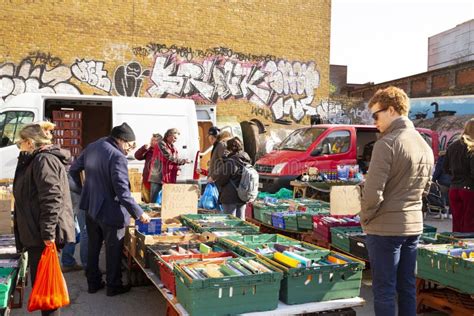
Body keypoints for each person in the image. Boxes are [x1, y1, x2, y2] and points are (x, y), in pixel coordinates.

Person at [360, 86, 434, 316]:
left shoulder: (387, 143)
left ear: (391, 110)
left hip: (384, 229)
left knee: (383, 290)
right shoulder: (424, 144)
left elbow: (373, 193)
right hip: (412, 226)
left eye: (376, 115)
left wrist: (365, 218)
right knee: (407, 287)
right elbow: (426, 188)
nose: (375, 122)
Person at [69, 122, 150, 297]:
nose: (129, 149)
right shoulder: (117, 156)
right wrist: (139, 213)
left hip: (91, 207)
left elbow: (73, 170)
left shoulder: (93, 146)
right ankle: (113, 286)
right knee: (113, 251)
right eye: (129, 145)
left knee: (93, 247)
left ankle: (93, 283)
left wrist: (83, 191)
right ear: (121, 140)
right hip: (111, 211)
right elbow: (122, 191)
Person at [13, 123, 75, 316]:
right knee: (44, 287)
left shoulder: (43, 160)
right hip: (36, 233)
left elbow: (51, 198)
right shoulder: (35, 159)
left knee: (47, 291)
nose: (18, 146)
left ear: (29, 143)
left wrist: (47, 233)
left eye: (20, 142)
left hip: (42, 236)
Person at [443, 118, 474, 232]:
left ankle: (457, 246)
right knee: (469, 224)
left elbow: (445, 168)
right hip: (469, 189)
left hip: (454, 189)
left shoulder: (453, 146)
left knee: (457, 223)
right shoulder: (472, 147)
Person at [214, 137, 251, 219]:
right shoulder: (246, 159)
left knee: (229, 221)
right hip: (242, 195)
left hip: (230, 196)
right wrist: (226, 160)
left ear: (231, 149)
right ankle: (242, 232)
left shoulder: (231, 162)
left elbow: (222, 179)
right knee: (241, 220)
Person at [149, 128, 189, 202]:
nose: (175, 140)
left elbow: (175, 159)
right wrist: (183, 161)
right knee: (154, 201)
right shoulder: (161, 144)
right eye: (174, 137)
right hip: (158, 176)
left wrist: (178, 169)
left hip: (169, 177)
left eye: (176, 138)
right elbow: (168, 157)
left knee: (166, 201)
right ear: (168, 135)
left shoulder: (174, 148)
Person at [134, 133, 162, 203]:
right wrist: (143, 148)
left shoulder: (162, 151)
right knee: (146, 201)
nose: (152, 142)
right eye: (151, 140)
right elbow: (137, 156)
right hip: (146, 179)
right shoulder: (148, 150)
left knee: (154, 202)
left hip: (156, 181)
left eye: (154, 140)